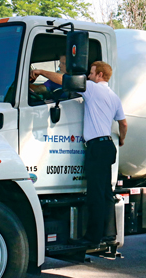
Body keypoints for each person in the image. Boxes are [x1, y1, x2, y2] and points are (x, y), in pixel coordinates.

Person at [31, 61, 128, 248]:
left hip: (96, 148)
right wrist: (122, 140)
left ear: (100, 75)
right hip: (107, 146)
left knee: (95, 195)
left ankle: (92, 238)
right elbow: (123, 124)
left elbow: (64, 80)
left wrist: (41, 71)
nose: (88, 76)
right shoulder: (114, 97)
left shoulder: (91, 88)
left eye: (91, 73)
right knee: (106, 193)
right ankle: (109, 234)